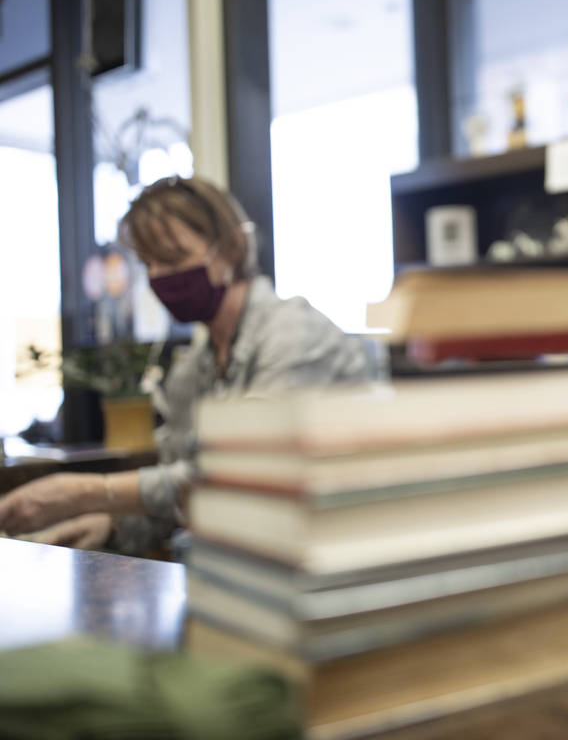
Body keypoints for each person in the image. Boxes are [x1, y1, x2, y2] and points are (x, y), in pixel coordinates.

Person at [0, 176, 374, 551]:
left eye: (172, 258)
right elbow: (181, 498)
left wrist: (88, 492)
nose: (158, 276)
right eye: (148, 263)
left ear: (230, 249)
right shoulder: (192, 371)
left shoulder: (294, 336)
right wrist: (112, 526)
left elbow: (248, 477)